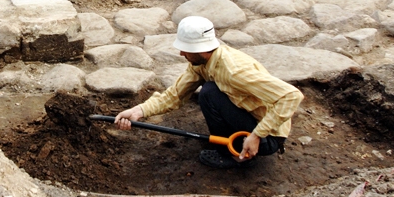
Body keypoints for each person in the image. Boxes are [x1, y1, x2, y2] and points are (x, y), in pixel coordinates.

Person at [114, 16, 304, 170]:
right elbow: (176, 95)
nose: (181, 54)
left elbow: (291, 96)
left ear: (202, 50)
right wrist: (139, 111)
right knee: (210, 92)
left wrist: (256, 135)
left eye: (186, 49)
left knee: (209, 93)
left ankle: (237, 156)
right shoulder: (203, 63)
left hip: (268, 137)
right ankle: (232, 142)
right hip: (252, 120)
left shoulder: (234, 71)